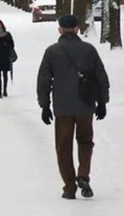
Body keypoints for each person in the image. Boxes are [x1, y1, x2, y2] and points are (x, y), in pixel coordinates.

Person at [36, 14, 110, 200]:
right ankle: (83, 175)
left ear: (59, 29)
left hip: (62, 107)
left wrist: (45, 106)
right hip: (86, 105)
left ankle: (69, 187)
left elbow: (43, 81)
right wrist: (102, 103)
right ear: (77, 29)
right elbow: (102, 78)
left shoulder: (52, 52)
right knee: (85, 141)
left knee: (63, 147)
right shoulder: (89, 50)